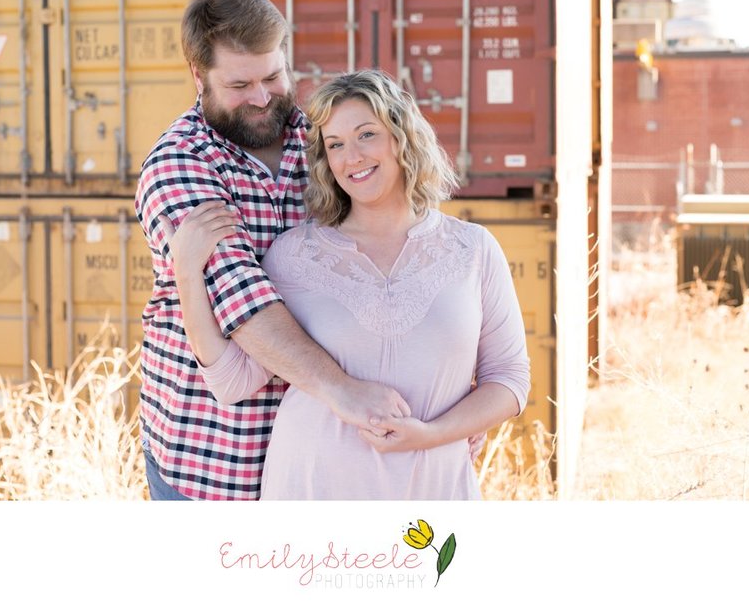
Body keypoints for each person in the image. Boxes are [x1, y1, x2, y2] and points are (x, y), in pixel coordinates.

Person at [171, 69, 530, 499]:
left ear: (401, 136)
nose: (352, 157)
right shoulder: (294, 255)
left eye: (366, 135)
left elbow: (509, 380)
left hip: (432, 488)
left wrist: (432, 434)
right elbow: (232, 380)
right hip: (310, 490)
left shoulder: (472, 249)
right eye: (336, 145)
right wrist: (187, 273)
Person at [135, 0, 410, 501]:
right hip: (218, 456)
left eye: (273, 76)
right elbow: (240, 300)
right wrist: (342, 390)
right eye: (239, 85)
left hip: (324, 455)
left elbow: (390, 247)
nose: (262, 98)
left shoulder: (322, 140)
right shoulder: (179, 165)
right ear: (199, 76)